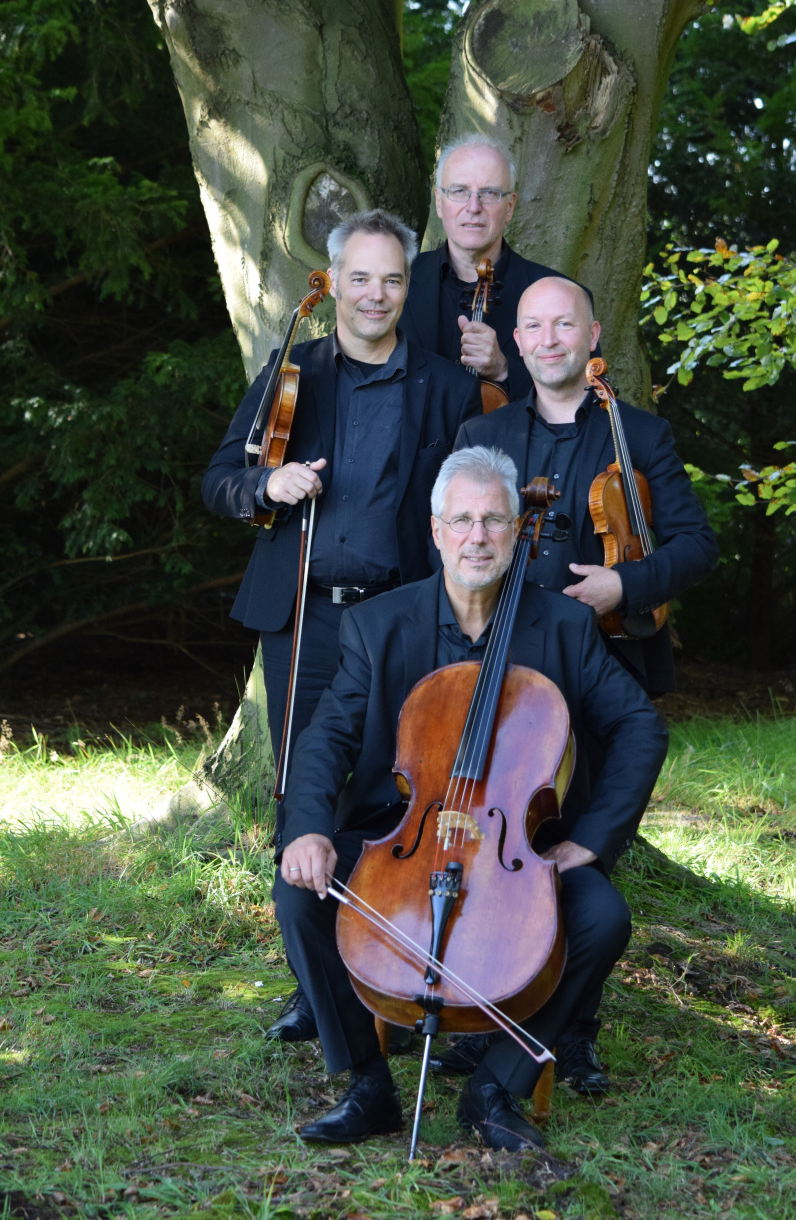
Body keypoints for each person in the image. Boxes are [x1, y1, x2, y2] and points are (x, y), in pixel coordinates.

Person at [274, 446, 668, 1149]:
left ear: (518, 531)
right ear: (435, 532)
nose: (477, 537)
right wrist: (306, 828)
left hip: (517, 848)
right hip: (403, 834)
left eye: (493, 520)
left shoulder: (563, 627)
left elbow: (639, 725)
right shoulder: (378, 625)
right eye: (462, 520)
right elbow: (323, 739)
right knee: (301, 894)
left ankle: (493, 1087)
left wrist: (596, 837)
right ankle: (367, 1084)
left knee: (602, 917)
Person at [202, 210, 482, 1041]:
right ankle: (314, 981)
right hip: (306, 623)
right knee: (306, 791)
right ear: (332, 287)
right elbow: (218, 478)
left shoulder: (446, 386)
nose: (376, 294)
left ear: (407, 286)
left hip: (401, 622)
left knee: (395, 791)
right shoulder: (294, 374)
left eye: (392, 279)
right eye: (359, 278)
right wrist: (267, 488)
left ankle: (393, 968)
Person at [450, 277, 718, 1091]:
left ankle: (574, 1027)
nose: (548, 337)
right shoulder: (484, 431)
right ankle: (481, 1000)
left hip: (604, 663)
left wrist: (624, 587)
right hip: (499, 663)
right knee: (499, 841)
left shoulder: (637, 433)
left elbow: (695, 545)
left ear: (590, 333)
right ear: (517, 341)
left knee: (584, 854)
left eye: (563, 322)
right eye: (532, 325)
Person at [400, 134, 593, 399]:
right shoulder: (398, 280)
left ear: (510, 206)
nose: (473, 207)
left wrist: (504, 369)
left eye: (489, 193)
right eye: (459, 191)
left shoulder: (565, 297)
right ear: (439, 202)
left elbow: (586, 398)